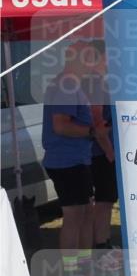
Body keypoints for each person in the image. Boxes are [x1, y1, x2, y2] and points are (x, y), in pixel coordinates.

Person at [42, 42, 102, 255]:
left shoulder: (72, 84)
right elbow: (61, 125)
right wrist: (92, 132)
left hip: (75, 160)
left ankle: (83, 267)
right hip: (67, 161)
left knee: (84, 213)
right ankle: (73, 271)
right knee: (75, 216)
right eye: (88, 59)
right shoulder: (66, 84)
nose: (92, 65)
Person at [80, 42, 117, 251]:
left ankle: (103, 243)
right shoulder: (94, 82)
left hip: (100, 151)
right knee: (102, 202)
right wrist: (110, 153)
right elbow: (97, 122)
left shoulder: (99, 81)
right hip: (99, 153)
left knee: (106, 200)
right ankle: (101, 244)